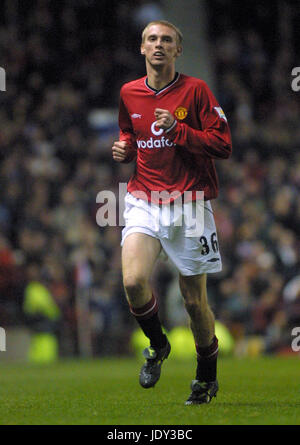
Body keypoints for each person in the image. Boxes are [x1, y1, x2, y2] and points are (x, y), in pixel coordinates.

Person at [112, 20, 232, 405]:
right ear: (142, 48)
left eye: (167, 40)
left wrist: (180, 131)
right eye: (152, 39)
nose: (159, 45)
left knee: (194, 303)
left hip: (190, 203)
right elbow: (130, 134)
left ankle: (206, 379)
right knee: (133, 282)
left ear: (178, 50)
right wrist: (126, 149)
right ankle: (158, 344)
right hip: (144, 199)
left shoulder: (196, 91)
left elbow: (223, 144)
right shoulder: (129, 93)